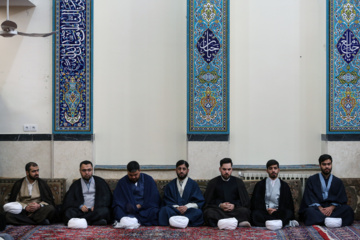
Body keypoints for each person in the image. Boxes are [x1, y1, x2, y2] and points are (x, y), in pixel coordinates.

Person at [299, 154, 354, 227]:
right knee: (309, 212)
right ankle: (332, 221)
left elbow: (341, 198)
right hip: (317, 209)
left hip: (333, 210)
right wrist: (320, 208)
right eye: (324, 164)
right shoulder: (311, 180)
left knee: (348, 210)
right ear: (320, 165)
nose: (327, 167)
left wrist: (331, 207)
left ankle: (323, 221)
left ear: (331, 164)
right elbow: (309, 197)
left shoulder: (338, 181)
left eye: (329, 164)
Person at [203, 158, 251, 228]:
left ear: (232, 169)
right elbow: (208, 202)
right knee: (209, 212)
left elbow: (245, 201)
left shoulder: (238, 182)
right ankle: (237, 223)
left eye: (229, 169)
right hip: (219, 210)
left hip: (234, 210)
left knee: (245, 211)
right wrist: (220, 205)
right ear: (220, 169)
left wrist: (234, 205)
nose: (226, 172)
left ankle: (221, 223)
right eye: (224, 169)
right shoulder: (213, 182)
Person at [62, 160, 112, 226]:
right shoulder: (76, 184)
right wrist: (80, 206)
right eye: (84, 170)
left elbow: (107, 198)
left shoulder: (100, 182)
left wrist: (97, 206)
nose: (87, 172)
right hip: (81, 211)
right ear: (80, 171)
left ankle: (82, 221)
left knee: (105, 211)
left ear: (92, 170)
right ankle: (93, 222)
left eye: (89, 170)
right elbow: (68, 200)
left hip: (95, 210)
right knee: (69, 212)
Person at [251, 159, 297, 229]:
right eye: (270, 168)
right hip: (265, 211)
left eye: (275, 168)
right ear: (267, 170)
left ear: (278, 170)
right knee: (255, 214)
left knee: (288, 213)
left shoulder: (284, 185)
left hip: (278, 212)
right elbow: (256, 202)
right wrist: (267, 209)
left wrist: (276, 210)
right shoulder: (260, 184)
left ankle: (268, 223)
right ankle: (280, 223)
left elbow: (288, 203)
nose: (273, 170)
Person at [112, 161, 161, 227]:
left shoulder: (148, 180)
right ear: (127, 172)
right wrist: (132, 206)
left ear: (139, 170)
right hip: (129, 210)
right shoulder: (122, 182)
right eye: (130, 175)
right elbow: (118, 200)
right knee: (118, 209)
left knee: (154, 211)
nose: (133, 177)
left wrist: (141, 205)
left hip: (145, 209)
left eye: (135, 175)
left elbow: (154, 198)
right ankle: (134, 221)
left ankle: (132, 221)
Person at [159, 160, 205, 227]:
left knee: (198, 212)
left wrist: (186, 207)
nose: (181, 171)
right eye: (179, 169)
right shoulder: (170, 185)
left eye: (184, 169)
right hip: (174, 211)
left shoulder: (193, 184)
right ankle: (184, 222)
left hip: (188, 211)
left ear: (187, 170)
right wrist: (177, 207)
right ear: (176, 170)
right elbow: (167, 200)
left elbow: (199, 201)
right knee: (164, 210)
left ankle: (175, 222)